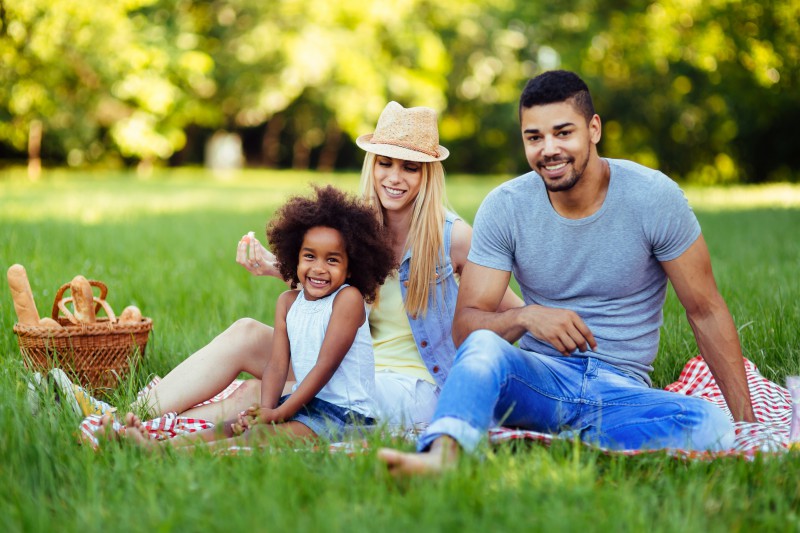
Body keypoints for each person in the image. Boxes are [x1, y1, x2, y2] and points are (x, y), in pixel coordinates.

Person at [378, 70, 756, 474]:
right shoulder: (505, 206)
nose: (549, 149)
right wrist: (524, 316)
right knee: (484, 348)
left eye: (563, 132)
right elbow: (466, 329)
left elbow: (705, 310)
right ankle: (441, 458)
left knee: (710, 425)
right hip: (539, 381)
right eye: (534, 137)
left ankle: (567, 434)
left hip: (620, 390)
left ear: (594, 129)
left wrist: (749, 426)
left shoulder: (653, 197)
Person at [81, 101, 521, 433]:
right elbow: (335, 285)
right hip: (350, 362)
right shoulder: (360, 227)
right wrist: (276, 267)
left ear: (428, 175)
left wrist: (482, 371)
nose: (394, 177)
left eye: (410, 167)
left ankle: (146, 431)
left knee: (266, 393)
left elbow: (509, 311)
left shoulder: (453, 238)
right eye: (385, 163)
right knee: (247, 335)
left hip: (411, 387)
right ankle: (129, 422)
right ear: (372, 165)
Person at [111, 185, 395, 449]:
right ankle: (157, 446)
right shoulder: (287, 302)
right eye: (309, 257)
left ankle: (165, 453)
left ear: (350, 268)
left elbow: (325, 366)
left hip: (345, 415)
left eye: (332, 260)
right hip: (306, 404)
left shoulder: (348, 300)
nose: (318, 268)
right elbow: (277, 364)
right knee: (235, 426)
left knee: (259, 436)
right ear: (294, 257)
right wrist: (264, 410)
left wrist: (280, 412)